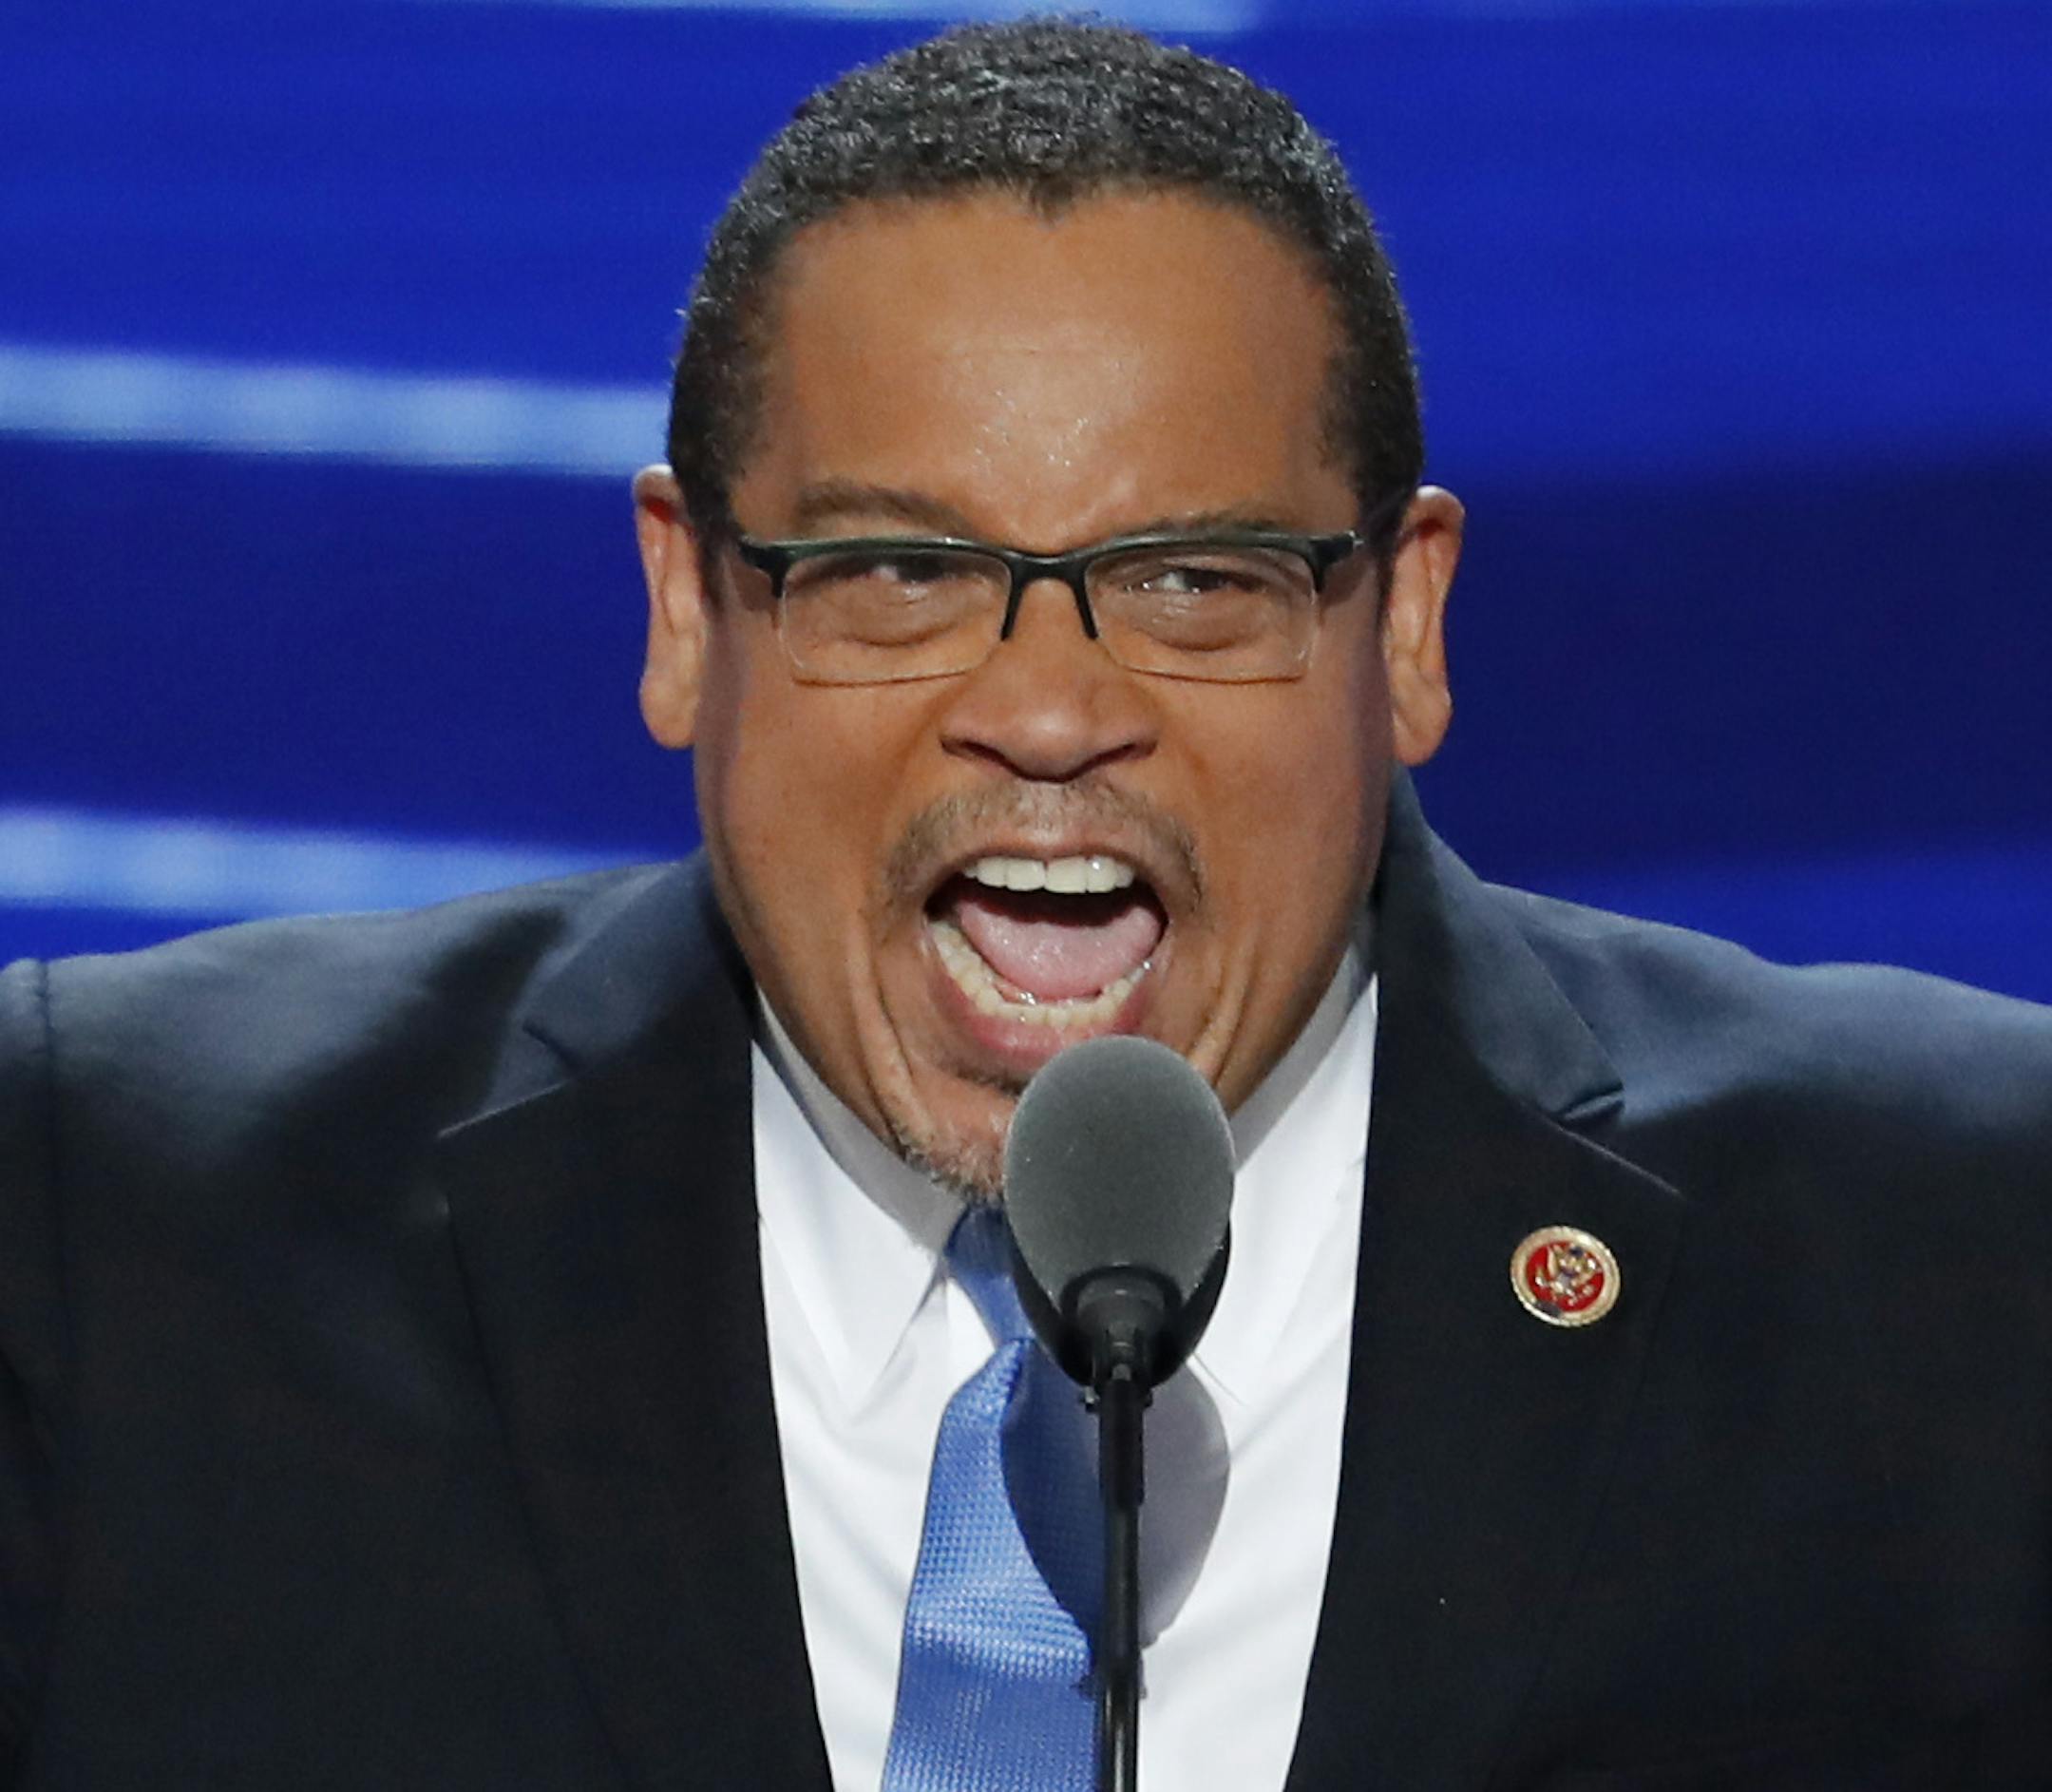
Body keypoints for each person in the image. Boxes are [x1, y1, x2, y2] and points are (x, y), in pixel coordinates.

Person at [3, 19, 2049, 1790]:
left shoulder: (1959, 1257)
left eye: (1196, 576)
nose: (1051, 710)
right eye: (893, 571)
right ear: (685, 616)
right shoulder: (109, 1217)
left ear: (1405, 626)